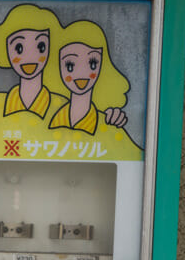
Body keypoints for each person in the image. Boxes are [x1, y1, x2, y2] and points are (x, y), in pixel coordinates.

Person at [0, 3, 66, 158]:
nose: (30, 57)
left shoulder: (62, 106)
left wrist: (115, 119)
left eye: (40, 46)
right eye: (19, 48)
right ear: (6, 50)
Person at [46, 19, 142, 161]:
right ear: (58, 68)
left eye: (92, 63)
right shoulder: (47, 115)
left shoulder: (109, 125)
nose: (81, 74)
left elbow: (135, 158)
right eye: (70, 65)